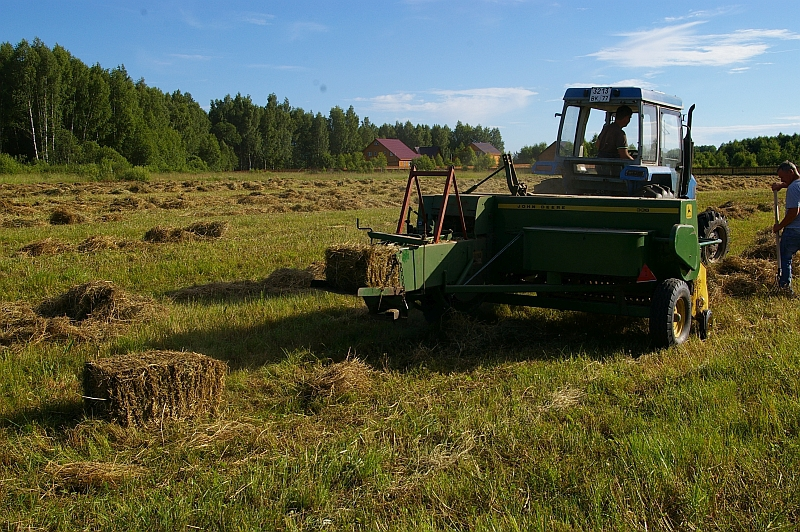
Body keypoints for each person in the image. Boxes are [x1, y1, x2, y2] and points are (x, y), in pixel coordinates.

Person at [771, 160, 800, 294]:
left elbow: (794, 211)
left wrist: (780, 226)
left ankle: (785, 287)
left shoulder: (794, 188)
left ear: (791, 172)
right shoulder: (796, 185)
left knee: (786, 258)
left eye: (782, 177)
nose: (782, 179)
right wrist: (782, 185)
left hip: (794, 230)